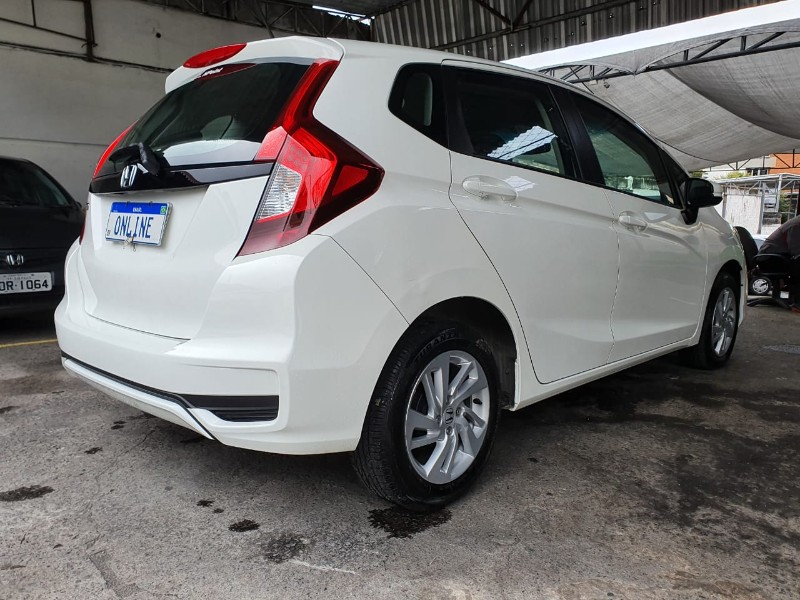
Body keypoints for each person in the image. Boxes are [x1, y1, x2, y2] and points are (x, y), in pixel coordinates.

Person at [758, 214, 800, 311]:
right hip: (769, 260)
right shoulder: (796, 226)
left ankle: (794, 300)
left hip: (777, 258)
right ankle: (797, 303)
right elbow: (796, 251)